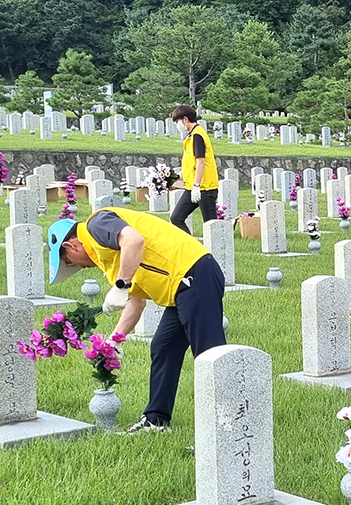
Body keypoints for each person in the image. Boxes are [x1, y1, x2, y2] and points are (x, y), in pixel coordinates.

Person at [48, 207, 226, 433]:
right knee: (163, 347)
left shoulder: (96, 225)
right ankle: (156, 421)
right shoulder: (107, 256)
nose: (79, 267)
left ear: (70, 245)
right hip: (179, 289)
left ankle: (226, 425)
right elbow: (136, 302)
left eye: (70, 262)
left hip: (194, 274)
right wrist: (114, 340)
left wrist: (121, 285)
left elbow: (133, 240)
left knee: (210, 354)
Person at [169, 105, 218, 233]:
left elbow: (201, 162)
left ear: (185, 119)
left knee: (211, 225)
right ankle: (192, 247)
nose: (177, 125)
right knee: (176, 218)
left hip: (204, 187)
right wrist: (181, 174)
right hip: (192, 186)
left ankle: (216, 250)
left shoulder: (198, 135)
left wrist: (196, 185)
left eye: (177, 122)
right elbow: (192, 162)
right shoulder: (191, 136)